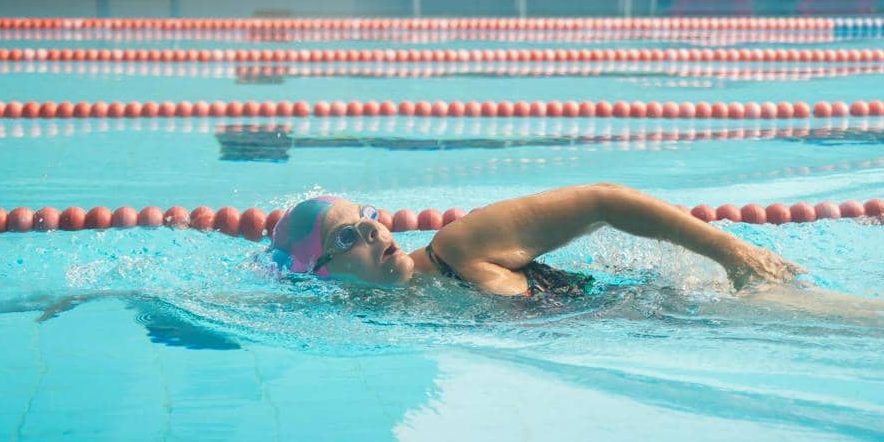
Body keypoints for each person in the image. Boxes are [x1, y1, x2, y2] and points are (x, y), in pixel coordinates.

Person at [270, 183, 799, 298]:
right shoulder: (364, 320)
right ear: (322, 273)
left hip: (697, 306)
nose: (373, 229)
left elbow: (602, 200)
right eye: (348, 234)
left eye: (368, 216)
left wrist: (736, 254)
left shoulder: (457, 248)